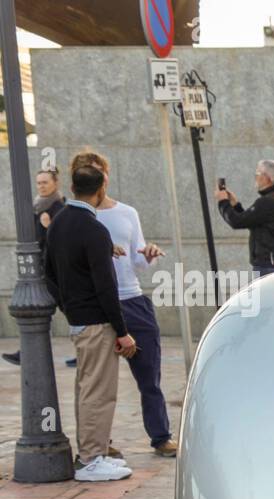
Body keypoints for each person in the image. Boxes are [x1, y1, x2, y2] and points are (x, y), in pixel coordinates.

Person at [70, 150, 176, 457]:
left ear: (106, 175)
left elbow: (136, 262)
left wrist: (148, 255)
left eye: (99, 170)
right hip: (97, 308)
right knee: (97, 385)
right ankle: (100, 444)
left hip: (132, 301)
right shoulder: (76, 216)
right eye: (87, 170)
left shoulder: (127, 212)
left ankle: (160, 436)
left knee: (149, 377)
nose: (96, 176)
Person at [44, 164, 138, 482]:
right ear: (101, 190)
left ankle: (90, 454)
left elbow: (48, 273)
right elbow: (105, 286)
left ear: (72, 188)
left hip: (78, 319)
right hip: (97, 322)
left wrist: (68, 308)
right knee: (99, 392)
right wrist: (122, 331)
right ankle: (91, 459)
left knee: (87, 390)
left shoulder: (58, 223)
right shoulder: (95, 230)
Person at [3, 167, 68, 368]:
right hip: (42, 269)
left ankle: (85, 350)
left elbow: (64, 241)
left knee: (69, 310)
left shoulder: (60, 208)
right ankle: (27, 352)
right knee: (38, 309)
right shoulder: (37, 207)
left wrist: (50, 227)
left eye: (45, 182)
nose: (41, 186)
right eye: (38, 182)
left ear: (55, 184)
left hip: (57, 270)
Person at [216, 158, 274, 277]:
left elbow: (236, 222)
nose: (255, 177)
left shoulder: (267, 202)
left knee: (265, 296)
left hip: (267, 266)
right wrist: (235, 205)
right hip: (270, 264)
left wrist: (223, 202)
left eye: (257, 173)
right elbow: (251, 221)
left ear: (266, 178)